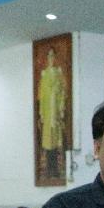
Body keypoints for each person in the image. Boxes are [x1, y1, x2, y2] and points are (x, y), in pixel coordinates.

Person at [38, 46, 68, 179]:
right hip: (47, 112)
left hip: (56, 112)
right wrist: (41, 113)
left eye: (52, 56)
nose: (51, 58)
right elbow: (42, 95)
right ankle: (49, 169)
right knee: (48, 141)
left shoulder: (58, 72)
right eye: (49, 56)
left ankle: (56, 169)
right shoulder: (44, 74)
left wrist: (61, 109)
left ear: (55, 57)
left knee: (56, 140)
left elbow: (62, 93)